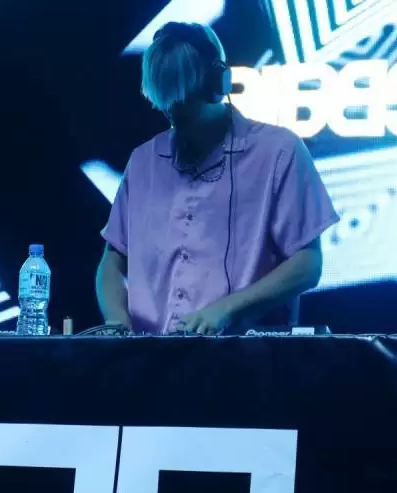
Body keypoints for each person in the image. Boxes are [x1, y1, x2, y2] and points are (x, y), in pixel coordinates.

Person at [95, 22, 339, 335]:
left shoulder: (279, 151)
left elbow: (307, 264)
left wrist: (227, 309)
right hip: (151, 357)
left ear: (217, 83)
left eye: (184, 100)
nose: (174, 114)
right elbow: (112, 261)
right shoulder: (143, 162)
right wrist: (117, 322)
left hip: (243, 357)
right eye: (166, 103)